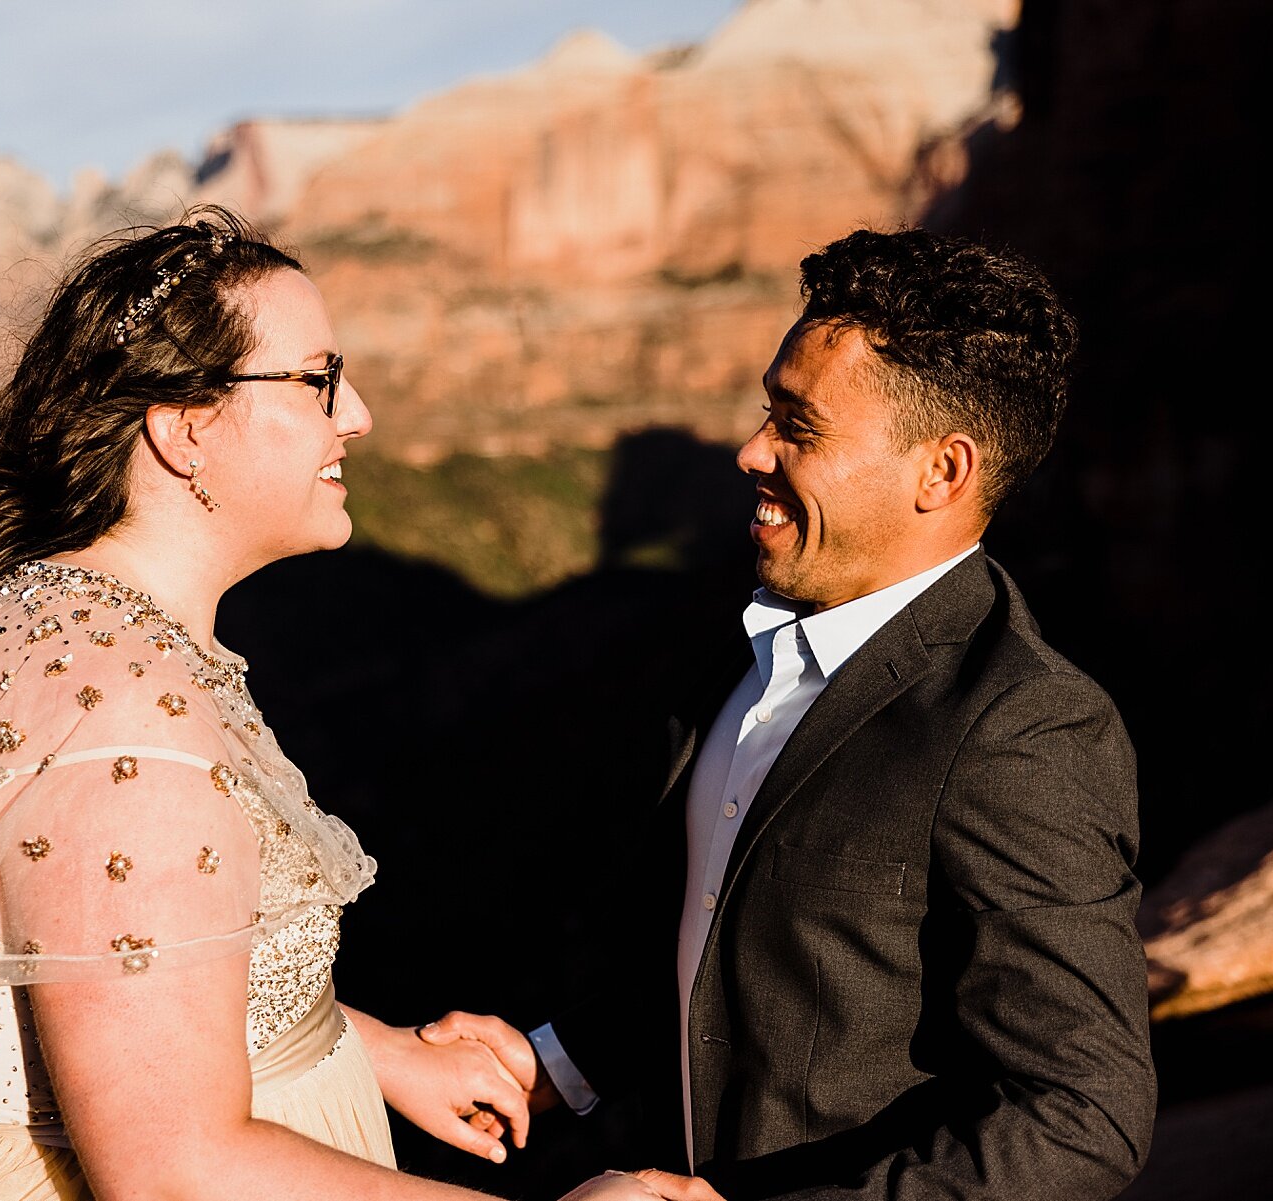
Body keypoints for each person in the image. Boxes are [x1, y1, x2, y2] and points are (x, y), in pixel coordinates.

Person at [0, 207, 697, 1201]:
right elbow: (173, 1173)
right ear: (186, 430)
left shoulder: (50, 611)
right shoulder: (130, 739)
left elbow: (101, 964)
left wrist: (372, 1049)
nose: (355, 414)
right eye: (318, 379)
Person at [424, 228, 1157, 1199]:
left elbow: (1084, 1113)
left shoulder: (1023, 726)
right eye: (766, 410)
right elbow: (733, 958)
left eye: (797, 427)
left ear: (941, 472)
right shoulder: (745, 654)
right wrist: (546, 1064)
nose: (748, 450)